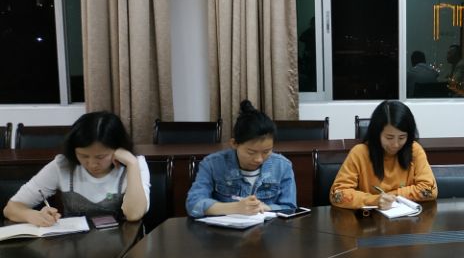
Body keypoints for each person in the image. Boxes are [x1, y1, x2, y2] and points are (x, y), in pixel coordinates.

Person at [3, 111, 150, 224]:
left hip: (123, 246)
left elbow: (134, 214)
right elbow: (11, 208)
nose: (92, 164)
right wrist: (32, 215)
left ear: (118, 148)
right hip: (74, 246)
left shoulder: (134, 164)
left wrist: (132, 164)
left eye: (100, 157)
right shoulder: (63, 165)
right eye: (83, 156)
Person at [186, 100, 297, 217]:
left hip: (269, 228)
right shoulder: (212, 164)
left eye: (266, 152)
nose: (259, 159)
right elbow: (194, 205)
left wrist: (267, 208)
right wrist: (235, 208)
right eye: (251, 152)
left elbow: (290, 207)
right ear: (234, 144)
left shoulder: (283, 166)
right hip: (225, 228)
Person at [330, 100, 437, 210]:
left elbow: (429, 190)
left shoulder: (414, 150)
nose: (395, 144)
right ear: (377, 133)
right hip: (369, 219)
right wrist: (374, 200)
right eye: (389, 137)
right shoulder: (359, 153)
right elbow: (338, 195)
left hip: (407, 218)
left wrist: (392, 196)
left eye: (402, 137)